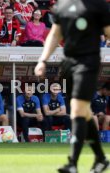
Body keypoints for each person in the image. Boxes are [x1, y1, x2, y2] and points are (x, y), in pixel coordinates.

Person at [34, 0, 110, 172]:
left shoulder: (98, 5)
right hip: (68, 63)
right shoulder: (62, 5)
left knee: (76, 108)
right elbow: (55, 35)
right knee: (84, 111)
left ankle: (72, 163)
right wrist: (42, 60)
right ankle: (100, 158)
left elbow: (109, 32)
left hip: (88, 62)